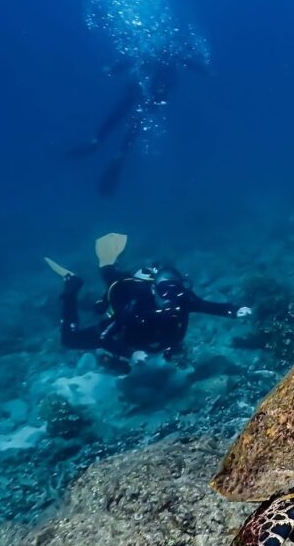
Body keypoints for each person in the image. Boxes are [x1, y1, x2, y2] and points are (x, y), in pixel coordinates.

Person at [52, 233, 251, 366]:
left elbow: (211, 307)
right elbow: (105, 338)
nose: (170, 298)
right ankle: (73, 285)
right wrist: (130, 354)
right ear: (154, 289)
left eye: (176, 290)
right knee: (69, 339)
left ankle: (108, 268)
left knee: (117, 279)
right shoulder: (135, 303)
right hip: (124, 315)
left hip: (147, 333)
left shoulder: (182, 299)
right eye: (164, 291)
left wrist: (235, 311)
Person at [67, 49, 207, 197]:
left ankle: (97, 141)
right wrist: (206, 71)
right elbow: (187, 62)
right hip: (153, 91)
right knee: (137, 118)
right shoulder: (171, 52)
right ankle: (120, 154)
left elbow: (133, 59)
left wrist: (113, 68)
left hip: (141, 88)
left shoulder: (149, 49)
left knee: (123, 110)